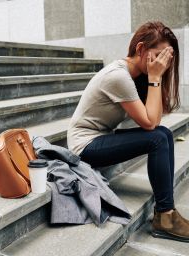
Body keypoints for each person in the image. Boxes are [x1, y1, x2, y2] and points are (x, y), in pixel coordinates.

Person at [67, 21, 189, 242]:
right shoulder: (118, 76)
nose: (162, 63)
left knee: (165, 134)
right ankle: (165, 215)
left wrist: (154, 77)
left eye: (166, 58)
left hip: (101, 137)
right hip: (84, 146)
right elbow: (150, 124)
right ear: (140, 49)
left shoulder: (135, 76)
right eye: (158, 55)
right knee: (158, 138)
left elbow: (154, 120)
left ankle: (166, 213)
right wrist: (155, 77)